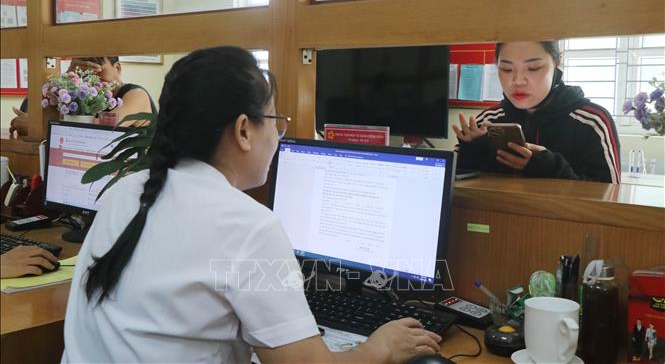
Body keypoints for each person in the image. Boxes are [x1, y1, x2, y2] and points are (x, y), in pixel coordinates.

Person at [61, 47, 441, 363]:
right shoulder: (248, 225)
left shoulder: (126, 191)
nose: (277, 134)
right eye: (275, 120)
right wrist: (379, 348)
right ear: (243, 130)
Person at [453, 41, 621, 183]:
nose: (518, 81)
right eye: (506, 69)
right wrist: (471, 154)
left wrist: (553, 168)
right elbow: (452, 191)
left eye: (533, 68)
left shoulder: (592, 122)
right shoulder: (488, 120)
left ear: (557, 63)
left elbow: (610, 199)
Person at [8, 56, 157, 137]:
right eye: (84, 67)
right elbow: (38, 105)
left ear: (117, 67)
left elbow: (106, 126)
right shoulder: (83, 98)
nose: (90, 74)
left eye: (96, 66)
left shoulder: (136, 94)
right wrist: (69, 75)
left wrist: (38, 126)